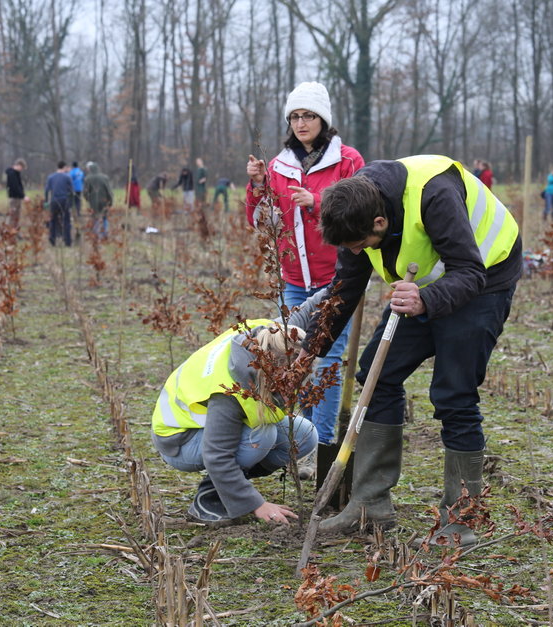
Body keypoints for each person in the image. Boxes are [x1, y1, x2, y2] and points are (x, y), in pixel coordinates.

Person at [299, 155, 521, 546]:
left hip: (484, 279)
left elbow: (470, 272)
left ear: (379, 223)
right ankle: (370, 506)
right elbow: (345, 289)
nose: (355, 252)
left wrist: (425, 302)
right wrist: (309, 350)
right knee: (377, 375)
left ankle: (461, 522)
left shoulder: (434, 195)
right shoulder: (353, 209)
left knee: (454, 395)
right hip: (421, 286)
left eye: (360, 245)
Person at [246, 81, 365, 477]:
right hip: (295, 279)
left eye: (308, 115)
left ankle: (322, 446)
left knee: (327, 358)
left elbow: (362, 215)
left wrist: (319, 204)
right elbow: (262, 222)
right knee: (297, 357)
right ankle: (301, 440)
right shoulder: (279, 165)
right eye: (295, 116)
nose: (301, 123)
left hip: (338, 276)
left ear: (323, 120)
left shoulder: (347, 162)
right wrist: (258, 186)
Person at [150, 303, 320, 525]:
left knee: (304, 435)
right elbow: (217, 455)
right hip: (179, 440)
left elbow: (312, 307)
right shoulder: (228, 391)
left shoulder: (274, 337)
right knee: (260, 436)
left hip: (206, 430)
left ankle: (230, 487)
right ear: (270, 373)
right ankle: (208, 498)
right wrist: (256, 504)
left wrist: (350, 281)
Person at [45, 161, 73, 246]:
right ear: (64, 167)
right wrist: (71, 203)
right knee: (66, 221)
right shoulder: (67, 177)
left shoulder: (50, 177)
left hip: (54, 201)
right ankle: (67, 241)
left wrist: (46, 201)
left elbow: (46, 190)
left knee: (53, 221)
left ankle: (52, 240)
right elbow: (72, 191)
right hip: (64, 201)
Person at [83, 162, 113, 239]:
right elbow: (109, 191)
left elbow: (85, 192)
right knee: (104, 216)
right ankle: (104, 233)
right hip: (104, 200)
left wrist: (88, 199)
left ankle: (96, 234)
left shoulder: (87, 178)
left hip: (93, 201)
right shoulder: (105, 177)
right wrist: (110, 201)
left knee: (95, 217)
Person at [5, 159, 27, 228]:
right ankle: (8, 231)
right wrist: (23, 196)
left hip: (18, 197)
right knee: (12, 215)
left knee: (17, 216)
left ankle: (14, 231)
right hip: (14, 198)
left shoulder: (16, 173)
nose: (22, 169)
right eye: (22, 168)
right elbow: (15, 187)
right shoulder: (12, 174)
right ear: (18, 165)